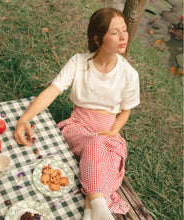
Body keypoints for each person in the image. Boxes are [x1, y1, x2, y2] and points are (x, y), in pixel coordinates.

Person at [14, 7, 140, 220]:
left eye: (125, 30)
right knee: (95, 144)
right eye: (114, 32)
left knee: (100, 149)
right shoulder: (79, 63)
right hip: (78, 126)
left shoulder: (129, 75)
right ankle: (101, 209)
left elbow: (126, 110)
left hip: (108, 131)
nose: (123, 37)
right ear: (97, 38)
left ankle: (90, 214)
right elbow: (52, 91)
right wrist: (25, 118)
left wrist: (114, 131)